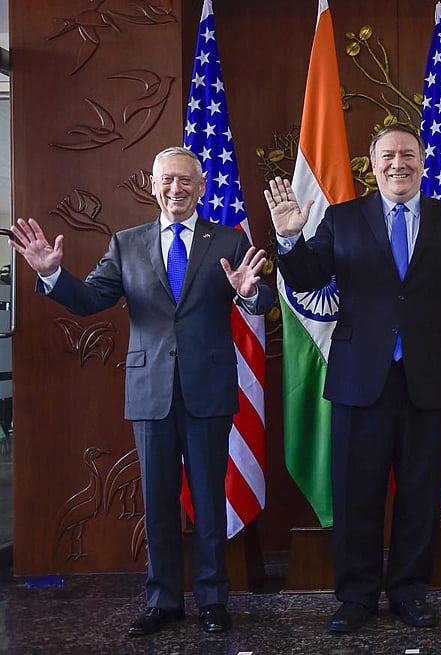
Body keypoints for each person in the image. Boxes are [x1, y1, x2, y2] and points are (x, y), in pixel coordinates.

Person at [10, 146, 274, 637]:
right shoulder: (126, 243)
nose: (176, 189)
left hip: (208, 390)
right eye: (167, 180)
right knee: (157, 504)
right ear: (153, 186)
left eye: (186, 181)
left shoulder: (230, 241)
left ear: (201, 187)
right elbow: (91, 299)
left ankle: (214, 600)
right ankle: (163, 601)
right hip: (150, 389)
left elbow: (263, 299)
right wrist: (49, 272)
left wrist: (247, 291)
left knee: (211, 502)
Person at [265, 124, 441, 633]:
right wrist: (288, 237)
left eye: (408, 155)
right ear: (373, 164)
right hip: (358, 380)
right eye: (388, 156)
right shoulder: (341, 219)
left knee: (420, 492)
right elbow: (304, 278)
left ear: (421, 161)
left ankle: (410, 591)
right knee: (356, 494)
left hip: (431, 380)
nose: (398, 164)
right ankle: (356, 596)